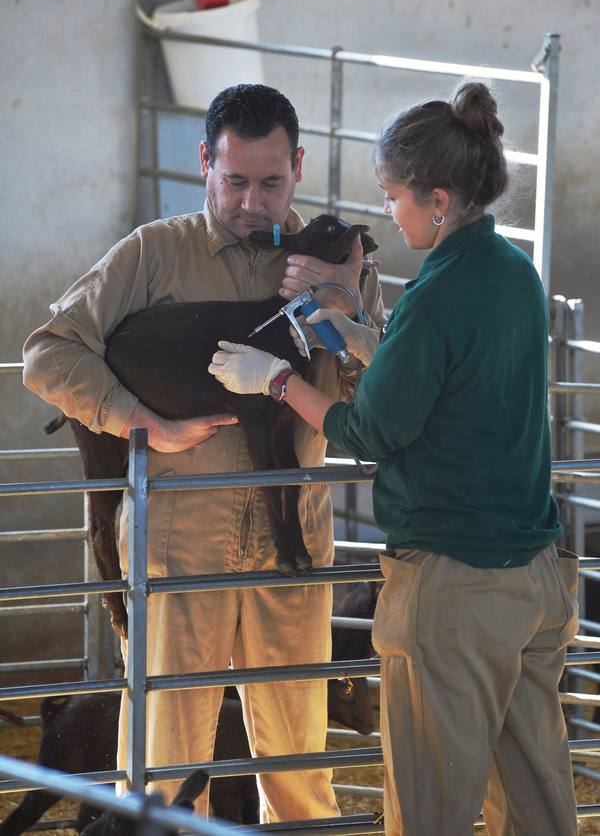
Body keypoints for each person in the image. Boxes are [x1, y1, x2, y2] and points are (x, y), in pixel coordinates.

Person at [209, 82, 579, 835]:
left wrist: (275, 380)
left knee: (431, 805)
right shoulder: (511, 273)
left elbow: (369, 432)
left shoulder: (436, 293)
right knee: (537, 799)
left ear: (438, 200)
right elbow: (456, 392)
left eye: (394, 196)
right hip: (533, 577)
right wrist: (364, 336)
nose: (391, 213)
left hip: (453, 588)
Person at [21, 83, 385, 822]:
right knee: (162, 754)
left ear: (300, 166)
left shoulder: (336, 258)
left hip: (293, 540)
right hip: (180, 544)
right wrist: (140, 421)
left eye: (272, 183)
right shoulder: (156, 254)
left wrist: (345, 305)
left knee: (297, 759)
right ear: (204, 164)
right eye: (236, 181)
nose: (254, 203)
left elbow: (387, 385)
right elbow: (46, 355)